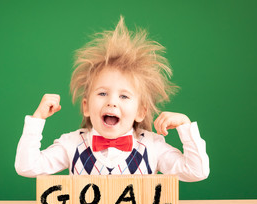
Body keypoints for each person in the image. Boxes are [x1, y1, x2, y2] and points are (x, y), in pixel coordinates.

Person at [15, 16, 210, 182]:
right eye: (102, 93)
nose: (112, 102)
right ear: (86, 107)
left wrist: (186, 127)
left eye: (124, 96)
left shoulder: (152, 146)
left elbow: (197, 171)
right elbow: (27, 167)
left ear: (141, 111)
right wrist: (37, 120)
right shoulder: (72, 144)